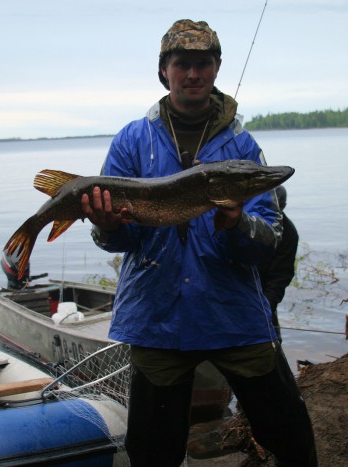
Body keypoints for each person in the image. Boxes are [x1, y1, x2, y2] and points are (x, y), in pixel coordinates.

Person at [80, 19, 317, 466]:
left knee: (291, 434)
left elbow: (270, 237)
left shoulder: (242, 145)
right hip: (157, 316)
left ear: (217, 67)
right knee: (153, 450)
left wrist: (238, 224)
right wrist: (108, 226)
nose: (193, 74)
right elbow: (120, 240)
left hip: (234, 314)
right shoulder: (132, 140)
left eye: (203, 63)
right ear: (164, 71)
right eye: (182, 64)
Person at [258, 185, 300, 342]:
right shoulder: (244, 222)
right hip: (235, 292)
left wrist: (266, 307)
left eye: (276, 208)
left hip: (263, 295)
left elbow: (281, 276)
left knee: (272, 341)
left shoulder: (288, 232)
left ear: (283, 207)